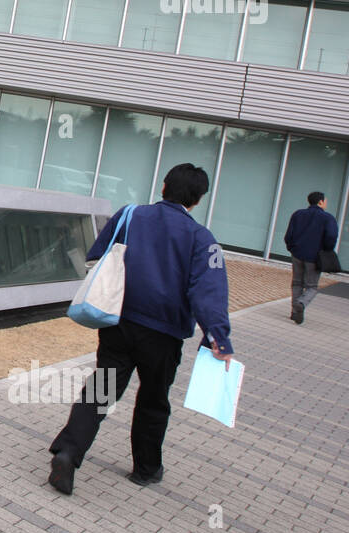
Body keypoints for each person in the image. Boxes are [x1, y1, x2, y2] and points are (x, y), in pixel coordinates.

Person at [48, 163, 234, 495]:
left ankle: (68, 452)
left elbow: (96, 256)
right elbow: (208, 292)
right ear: (197, 200)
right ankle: (145, 469)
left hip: (119, 322)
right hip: (164, 334)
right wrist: (218, 337)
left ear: (164, 186)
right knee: (153, 400)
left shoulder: (129, 215)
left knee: (101, 392)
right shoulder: (202, 239)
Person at [283, 191, 339, 325]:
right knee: (312, 286)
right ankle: (301, 304)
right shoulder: (328, 218)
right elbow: (331, 237)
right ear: (320, 202)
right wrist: (326, 250)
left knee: (296, 283)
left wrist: (292, 248)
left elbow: (288, 235)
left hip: (297, 254)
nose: (326, 203)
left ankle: (294, 313)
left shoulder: (298, 214)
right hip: (315, 256)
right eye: (325, 201)